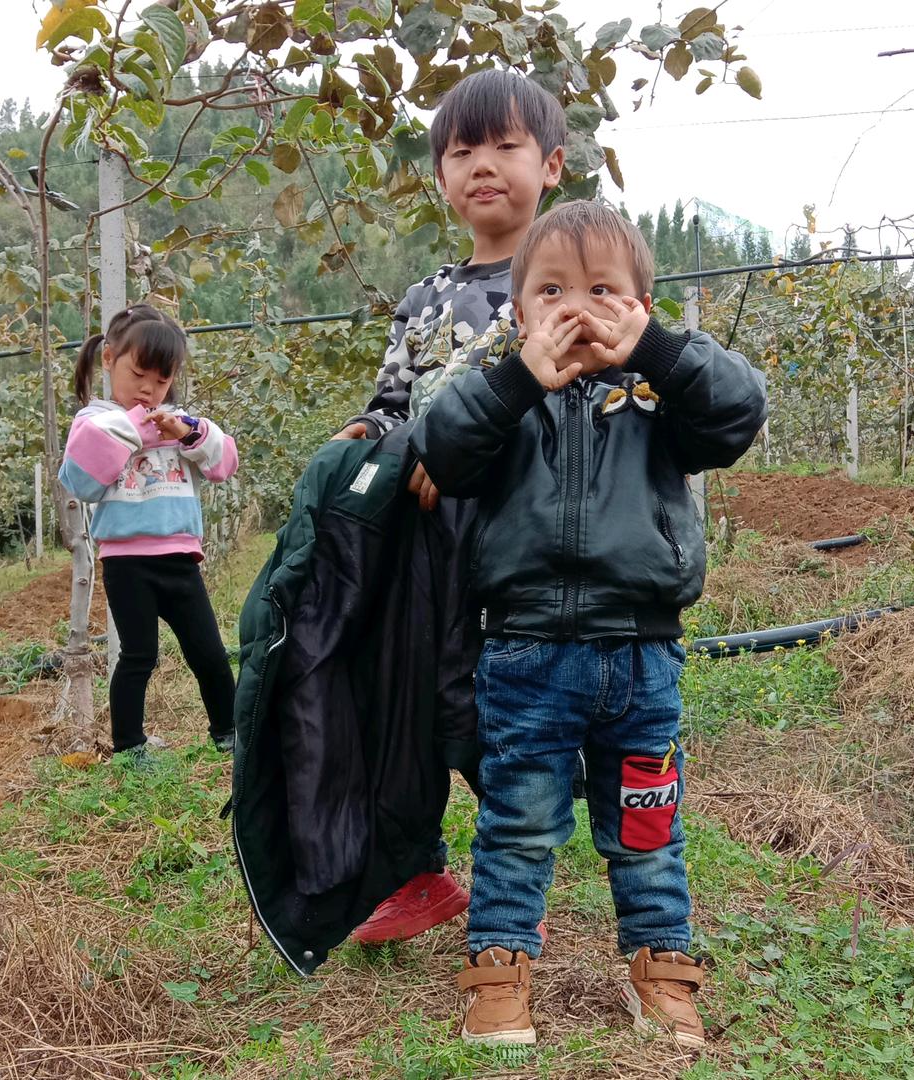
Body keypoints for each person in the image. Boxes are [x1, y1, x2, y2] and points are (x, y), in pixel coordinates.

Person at [410, 200, 768, 1047]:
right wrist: (515, 379)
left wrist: (657, 352)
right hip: (526, 653)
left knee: (647, 824)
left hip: (642, 654)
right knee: (519, 820)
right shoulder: (504, 395)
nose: (577, 307)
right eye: (553, 290)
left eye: (604, 289)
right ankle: (498, 970)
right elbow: (442, 447)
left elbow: (740, 411)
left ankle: (661, 968)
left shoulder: (660, 394)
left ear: (642, 306)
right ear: (521, 309)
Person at [332, 68, 567, 945]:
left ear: (551, 165)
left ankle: (527, 824)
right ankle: (417, 868)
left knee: (490, 695)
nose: (483, 165)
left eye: (505, 145)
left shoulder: (559, 283)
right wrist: (368, 429)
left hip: (519, 532)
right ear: (440, 176)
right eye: (461, 150)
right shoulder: (426, 296)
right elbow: (394, 398)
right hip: (428, 538)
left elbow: (570, 402)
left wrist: (458, 447)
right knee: (411, 690)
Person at [59, 304, 240, 763]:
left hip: (180, 557)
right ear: (109, 359)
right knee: (138, 656)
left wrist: (188, 433)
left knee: (210, 654)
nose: (148, 389)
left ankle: (229, 731)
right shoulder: (95, 422)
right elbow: (80, 480)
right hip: (126, 561)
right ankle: (129, 747)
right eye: (138, 373)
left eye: (161, 381)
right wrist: (137, 428)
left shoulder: (182, 424)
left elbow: (224, 464)